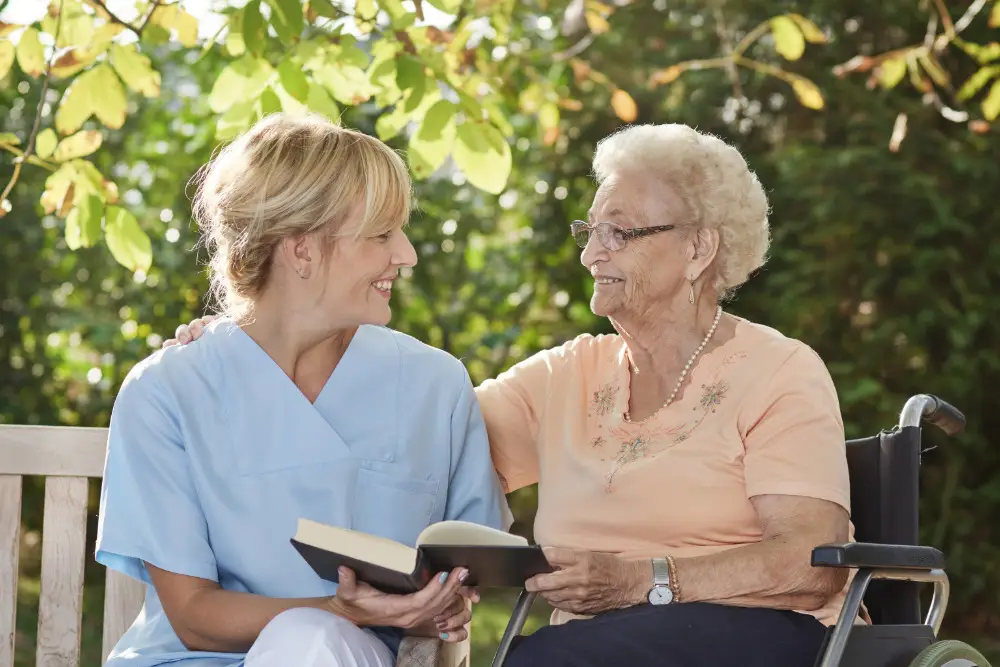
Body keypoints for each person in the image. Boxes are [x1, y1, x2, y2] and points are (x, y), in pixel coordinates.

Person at [167, 123, 853, 667]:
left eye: (620, 232)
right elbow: (416, 433)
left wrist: (641, 581)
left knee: (543, 660)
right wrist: (254, 338)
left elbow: (809, 563)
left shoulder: (778, 371)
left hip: (763, 635)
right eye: (590, 231)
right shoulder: (565, 377)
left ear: (699, 248)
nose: (591, 254)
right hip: (595, 647)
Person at [96, 112, 508, 667]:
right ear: (301, 249)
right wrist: (337, 610)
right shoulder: (166, 392)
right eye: (381, 234)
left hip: (349, 658)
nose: (407, 254)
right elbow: (192, 617)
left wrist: (437, 607)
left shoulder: (436, 385)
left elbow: (463, 580)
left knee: (313, 643)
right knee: (309, 637)